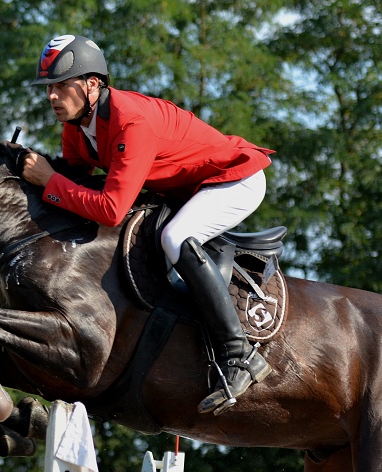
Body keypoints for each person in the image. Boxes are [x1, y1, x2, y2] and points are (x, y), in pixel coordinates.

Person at [22, 34, 274, 414]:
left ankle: (239, 354)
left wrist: (49, 182)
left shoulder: (131, 122)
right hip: (186, 190)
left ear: (92, 85)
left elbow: (109, 209)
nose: (52, 97)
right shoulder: (77, 128)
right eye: (49, 88)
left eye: (60, 86)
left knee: (175, 237)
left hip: (234, 179)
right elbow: (73, 181)